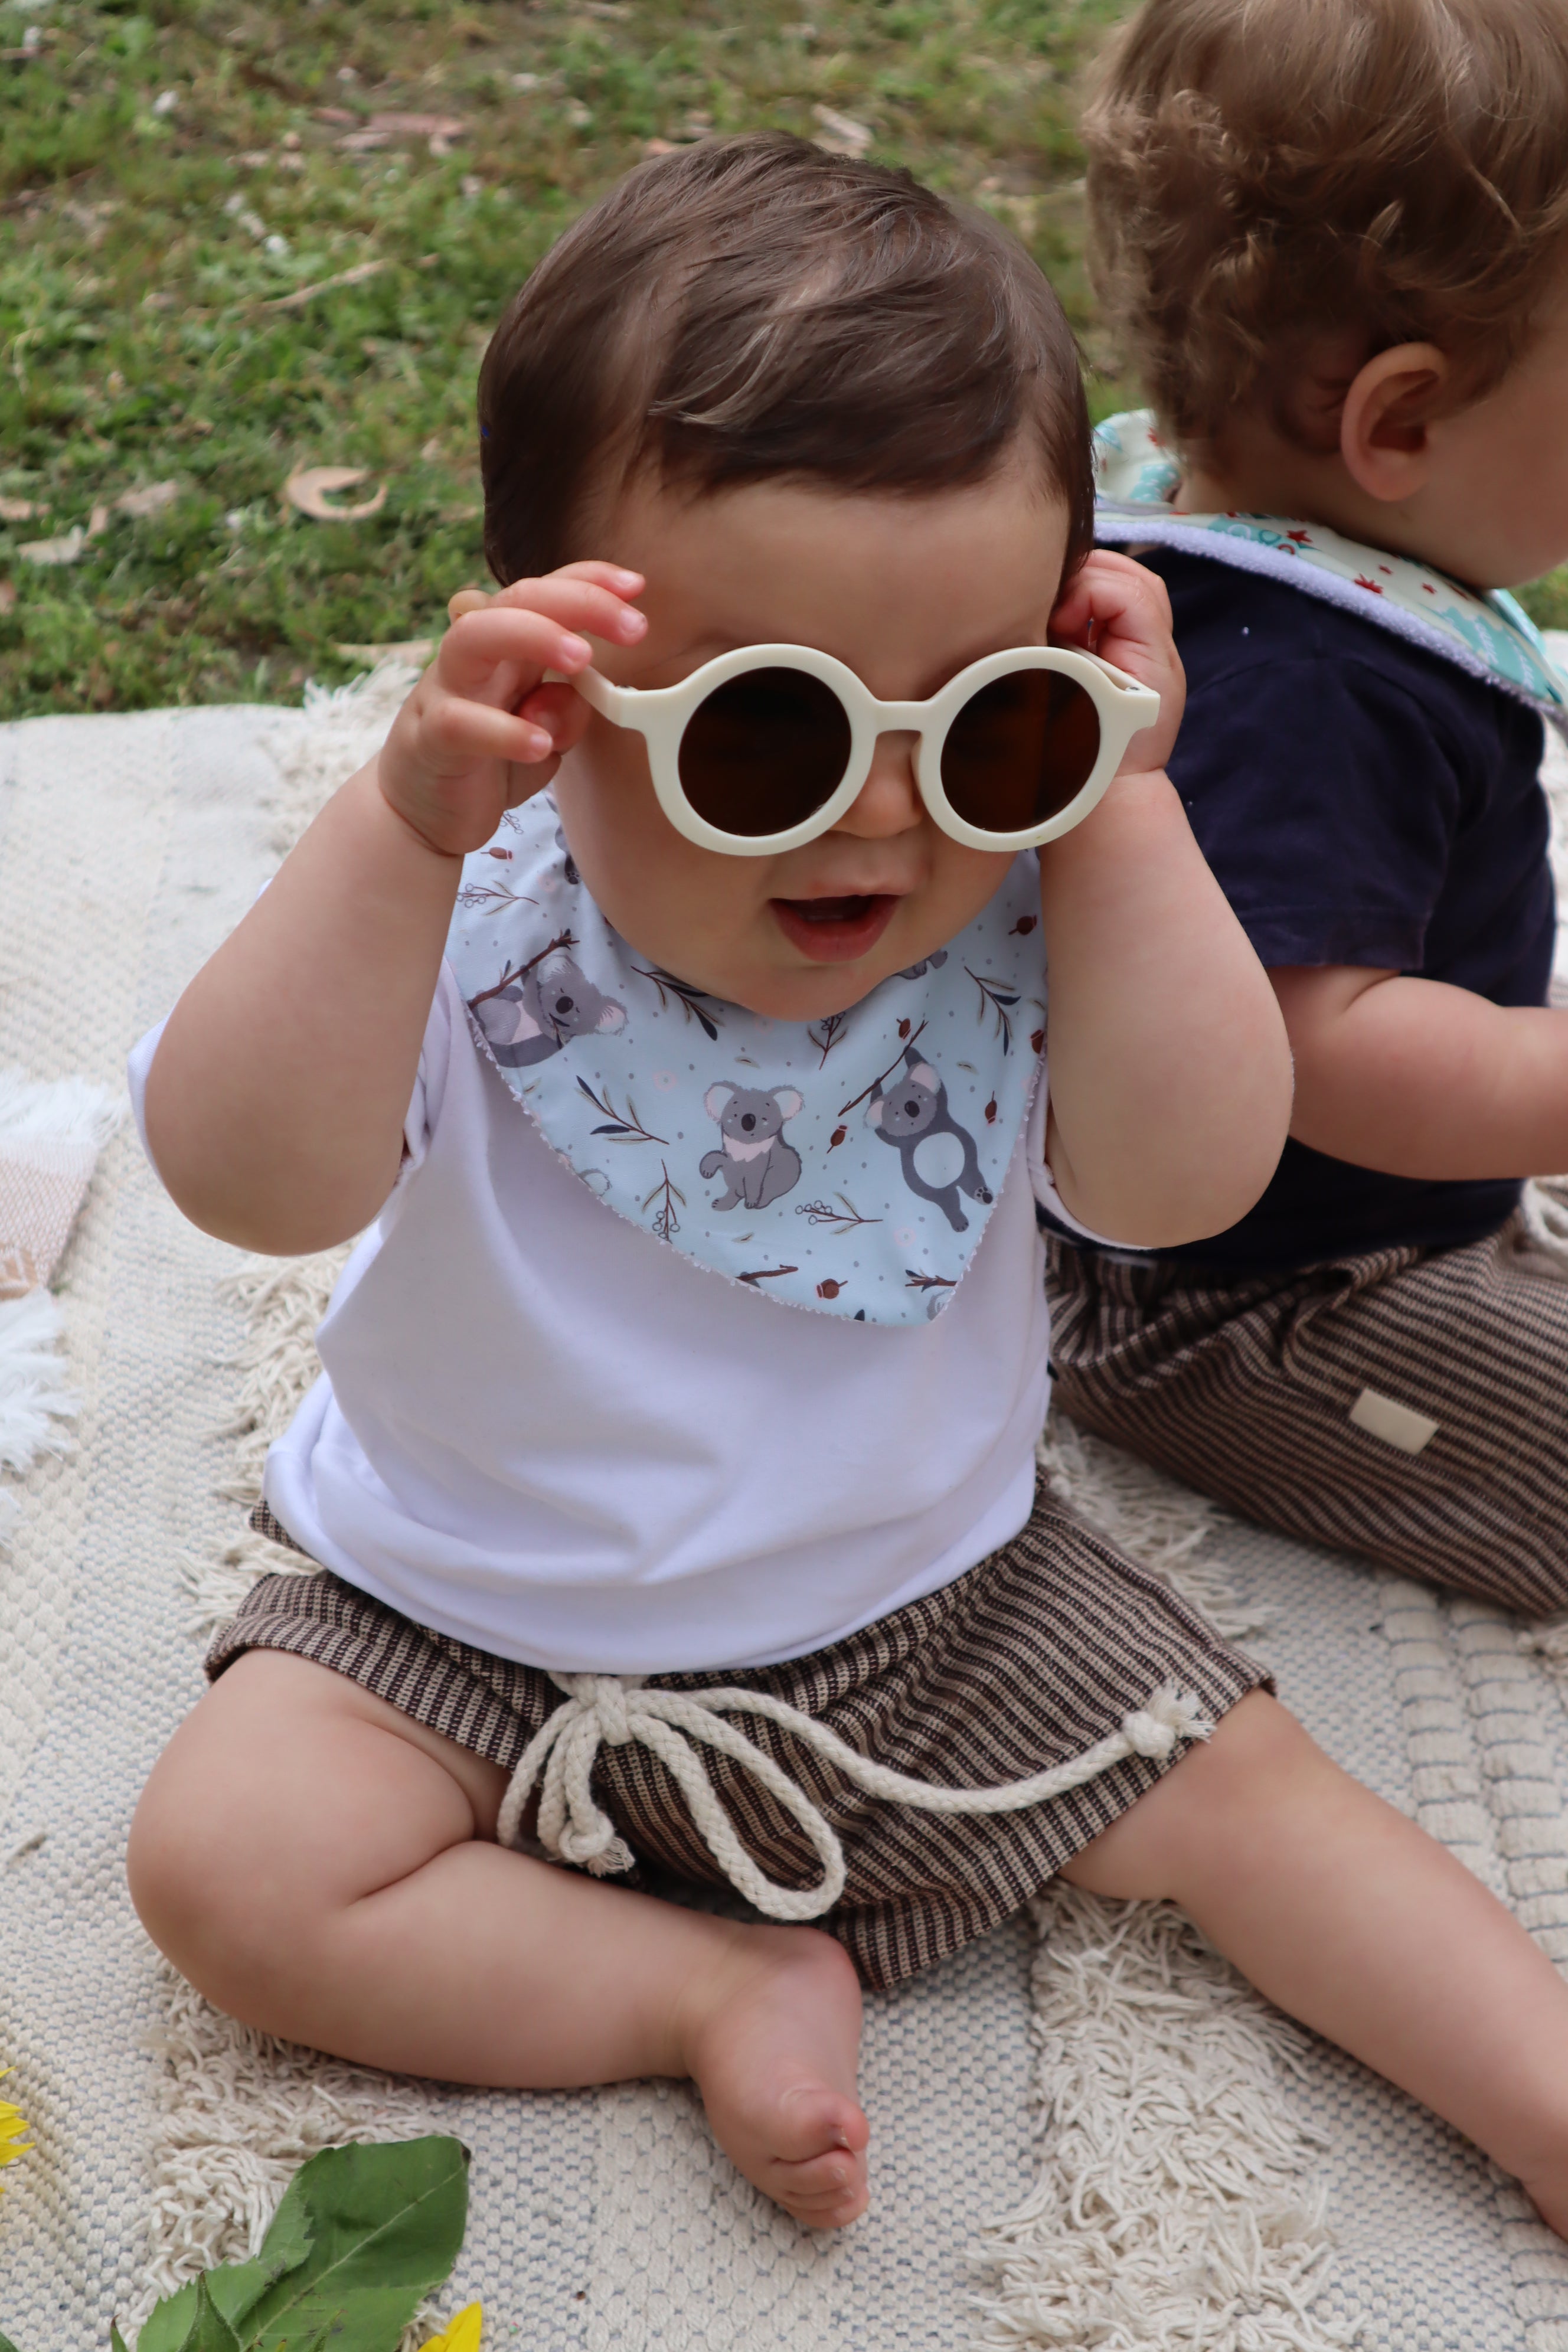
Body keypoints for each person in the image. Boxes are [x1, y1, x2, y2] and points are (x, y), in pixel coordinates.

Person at [123, 136, 1568, 2242]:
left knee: (1261, 1799)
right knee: (226, 1871)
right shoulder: (458, 917)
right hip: (458, 1615)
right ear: (553, 690)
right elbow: (240, 1179)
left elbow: (1190, 1176)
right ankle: (706, 1983)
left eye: (982, 724)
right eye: (774, 736)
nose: (888, 819)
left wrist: (1117, 807)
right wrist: (398, 830)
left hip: (939, 1599)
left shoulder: (1024, 916)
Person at [1048, 0, 1568, 1616]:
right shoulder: (1307, 687)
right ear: (1399, 421)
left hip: (1350, 1214)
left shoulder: (1206, 510)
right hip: (1239, 1291)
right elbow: (1312, 1050)